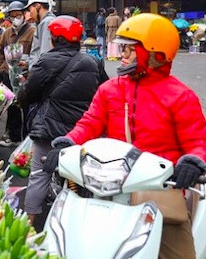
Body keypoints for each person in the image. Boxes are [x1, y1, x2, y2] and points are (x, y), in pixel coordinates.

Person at [44, 13, 206, 259]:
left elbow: (197, 141)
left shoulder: (181, 96)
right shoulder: (110, 89)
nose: (122, 55)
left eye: (129, 50)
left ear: (155, 54)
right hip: (108, 187)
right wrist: (67, 144)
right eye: (122, 49)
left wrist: (193, 162)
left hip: (160, 193)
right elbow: (89, 123)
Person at [16, 15, 108, 227]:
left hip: (49, 129)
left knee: (40, 174)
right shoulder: (93, 62)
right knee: (84, 177)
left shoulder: (45, 61)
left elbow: (27, 94)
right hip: (84, 131)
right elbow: (105, 90)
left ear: (54, 39)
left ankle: (29, 225)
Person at [0, 1, 34, 147]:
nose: (15, 18)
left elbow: (35, 52)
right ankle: (14, 136)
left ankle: (27, 138)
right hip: (9, 76)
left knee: (27, 107)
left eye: (18, 15)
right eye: (12, 16)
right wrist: (1, 65)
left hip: (26, 75)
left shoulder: (32, 32)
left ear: (24, 15)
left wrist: (29, 65)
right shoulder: (7, 33)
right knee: (12, 106)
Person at [24, 0, 56, 69]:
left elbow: (45, 54)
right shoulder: (47, 21)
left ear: (38, 6)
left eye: (30, 10)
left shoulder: (46, 22)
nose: (30, 14)